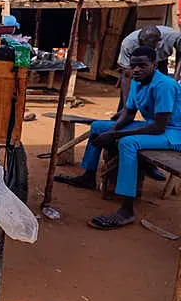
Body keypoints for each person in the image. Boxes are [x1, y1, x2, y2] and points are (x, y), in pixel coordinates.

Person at [55, 46, 181, 230]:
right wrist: (111, 131)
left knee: (128, 143)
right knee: (98, 127)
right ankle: (88, 176)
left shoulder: (164, 85)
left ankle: (126, 210)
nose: (137, 70)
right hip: (156, 126)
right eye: (134, 65)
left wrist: (114, 135)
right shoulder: (137, 81)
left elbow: (158, 127)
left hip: (173, 132)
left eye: (143, 66)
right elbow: (129, 113)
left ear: (154, 65)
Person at [116, 25, 181, 112]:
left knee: (162, 88)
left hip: (161, 60)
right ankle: (122, 112)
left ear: (159, 42)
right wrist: (125, 106)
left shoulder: (174, 36)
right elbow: (127, 75)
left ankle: (160, 113)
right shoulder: (128, 44)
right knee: (130, 89)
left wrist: (176, 77)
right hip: (139, 61)